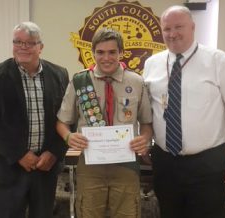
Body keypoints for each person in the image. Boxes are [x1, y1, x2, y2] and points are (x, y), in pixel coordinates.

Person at [143, 5, 225, 218]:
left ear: (193, 27)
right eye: (167, 29)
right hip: (165, 161)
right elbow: (149, 110)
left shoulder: (219, 61)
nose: (172, 33)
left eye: (179, 27)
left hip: (207, 163)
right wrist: (146, 142)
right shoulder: (152, 64)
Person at [56, 27, 153, 218]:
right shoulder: (80, 81)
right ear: (92, 53)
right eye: (100, 52)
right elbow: (61, 122)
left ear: (121, 53)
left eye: (112, 52)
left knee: (127, 214)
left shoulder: (136, 82)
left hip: (126, 165)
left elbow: (147, 124)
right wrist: (68, 136)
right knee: (89, 213)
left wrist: (145, 139)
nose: (106, 58)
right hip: (91, 165)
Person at [0, 21, 69, 218]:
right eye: (18, 42)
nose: (23, 47)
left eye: (30, 43)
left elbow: (68, 118)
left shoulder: (59, 74)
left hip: (45, 167)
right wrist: (19, 154)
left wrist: (54, 152)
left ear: (41, 47)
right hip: (8, 166)